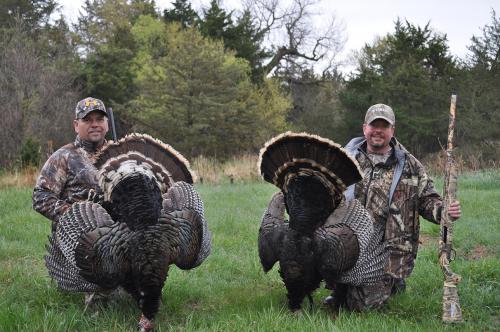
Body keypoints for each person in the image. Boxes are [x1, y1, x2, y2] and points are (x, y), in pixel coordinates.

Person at [325, 103, 462, 311]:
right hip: (348, 245)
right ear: (365, 129)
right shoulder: (345, 159)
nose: (378, 130)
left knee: (360, 307)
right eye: (374, 125)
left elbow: (427, 199)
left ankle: (391, 281)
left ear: (392, 130)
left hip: (386, 251)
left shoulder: (410, 165)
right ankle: (344, 286)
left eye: (384, 125)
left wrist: (444, 211)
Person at [33, 96, 109, 232]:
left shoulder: (120, 156)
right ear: (76, 125)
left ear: (107, 124)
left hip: (116, 238)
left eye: (100, 119)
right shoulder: (63, 156)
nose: (95, 124)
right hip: (76, 238)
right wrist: (76, 216)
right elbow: (40, 197)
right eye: (87, 120)